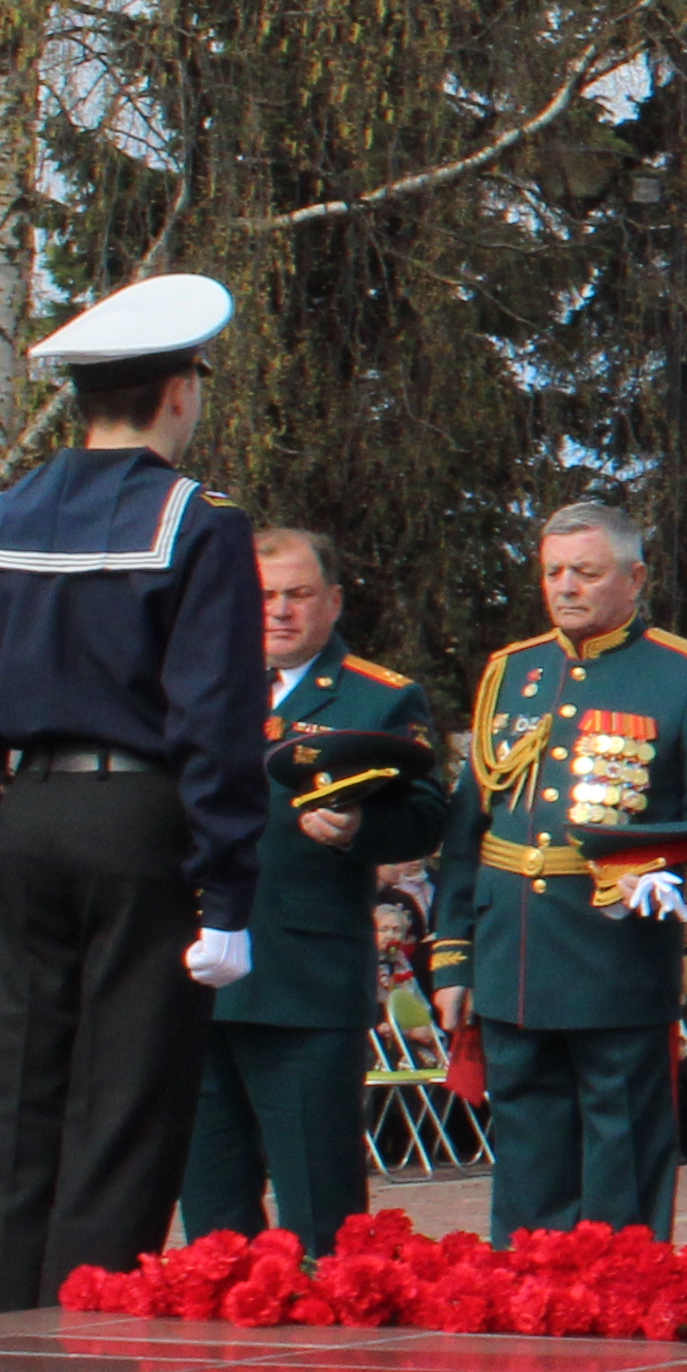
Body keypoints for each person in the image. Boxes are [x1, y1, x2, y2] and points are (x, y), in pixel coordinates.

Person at [0, 274, 271, 1311]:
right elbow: (213, 719)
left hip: (27, 819)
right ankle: (83, 1341)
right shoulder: (197, 523)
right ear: (176, 395)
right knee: (127, 1102)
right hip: (139, 820)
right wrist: (229, 894)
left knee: (18, 1103)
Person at [431, 502, 687, 1241]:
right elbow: (467, 830)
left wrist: (665, 875)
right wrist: (453, 955)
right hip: (515, 951)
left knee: (621, 1157)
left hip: (613, 952)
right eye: (553, 572)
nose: (566, 586)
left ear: (634, 578)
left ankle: (621, 1301)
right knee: (528, 1157)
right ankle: (528, 1294)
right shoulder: (511, 673)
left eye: (587, 572)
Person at [177, 526, 446, 1256]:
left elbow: (428, 814)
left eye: (298, 594)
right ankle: (225, 1355)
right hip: (194, 976)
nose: (280, 611)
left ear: (332, 601)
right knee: (211, 1213)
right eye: (263, 596)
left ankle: (329, 1364)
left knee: (319, 1209)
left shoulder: (378, 697)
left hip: (301, 977)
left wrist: (360, 826)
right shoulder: (193, 684)